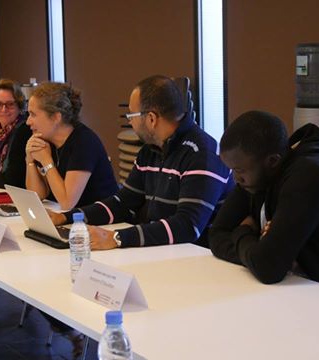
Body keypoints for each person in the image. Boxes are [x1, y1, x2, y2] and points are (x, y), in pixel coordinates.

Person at [50, 75, 233, 249]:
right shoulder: (150, 150)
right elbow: (122, 204)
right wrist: (66, 218)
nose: (130, 123)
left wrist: (116, 238)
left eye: (131, 116)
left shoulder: (201, 154)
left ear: (151, 118)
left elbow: (187, 227)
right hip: (164, 252)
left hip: (198, 260)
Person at [209, 111, 319, 284]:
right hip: (296, 290)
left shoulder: (307, 177)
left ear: (272, 161)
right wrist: (257, 252)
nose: (235, 179)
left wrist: (243, 231)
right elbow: (217, 234)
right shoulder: (255, 175)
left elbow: (268, 268)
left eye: (239, 170)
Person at [25, 82, 118, 209]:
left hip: (102, 221)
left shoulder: (84, 142)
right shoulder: (47, 139)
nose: (28, 121)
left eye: (33, 114)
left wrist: (47, 161)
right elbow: (37, 195)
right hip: (72, 218)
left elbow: (67, 202)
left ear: (56, 117)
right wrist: (30, 161)